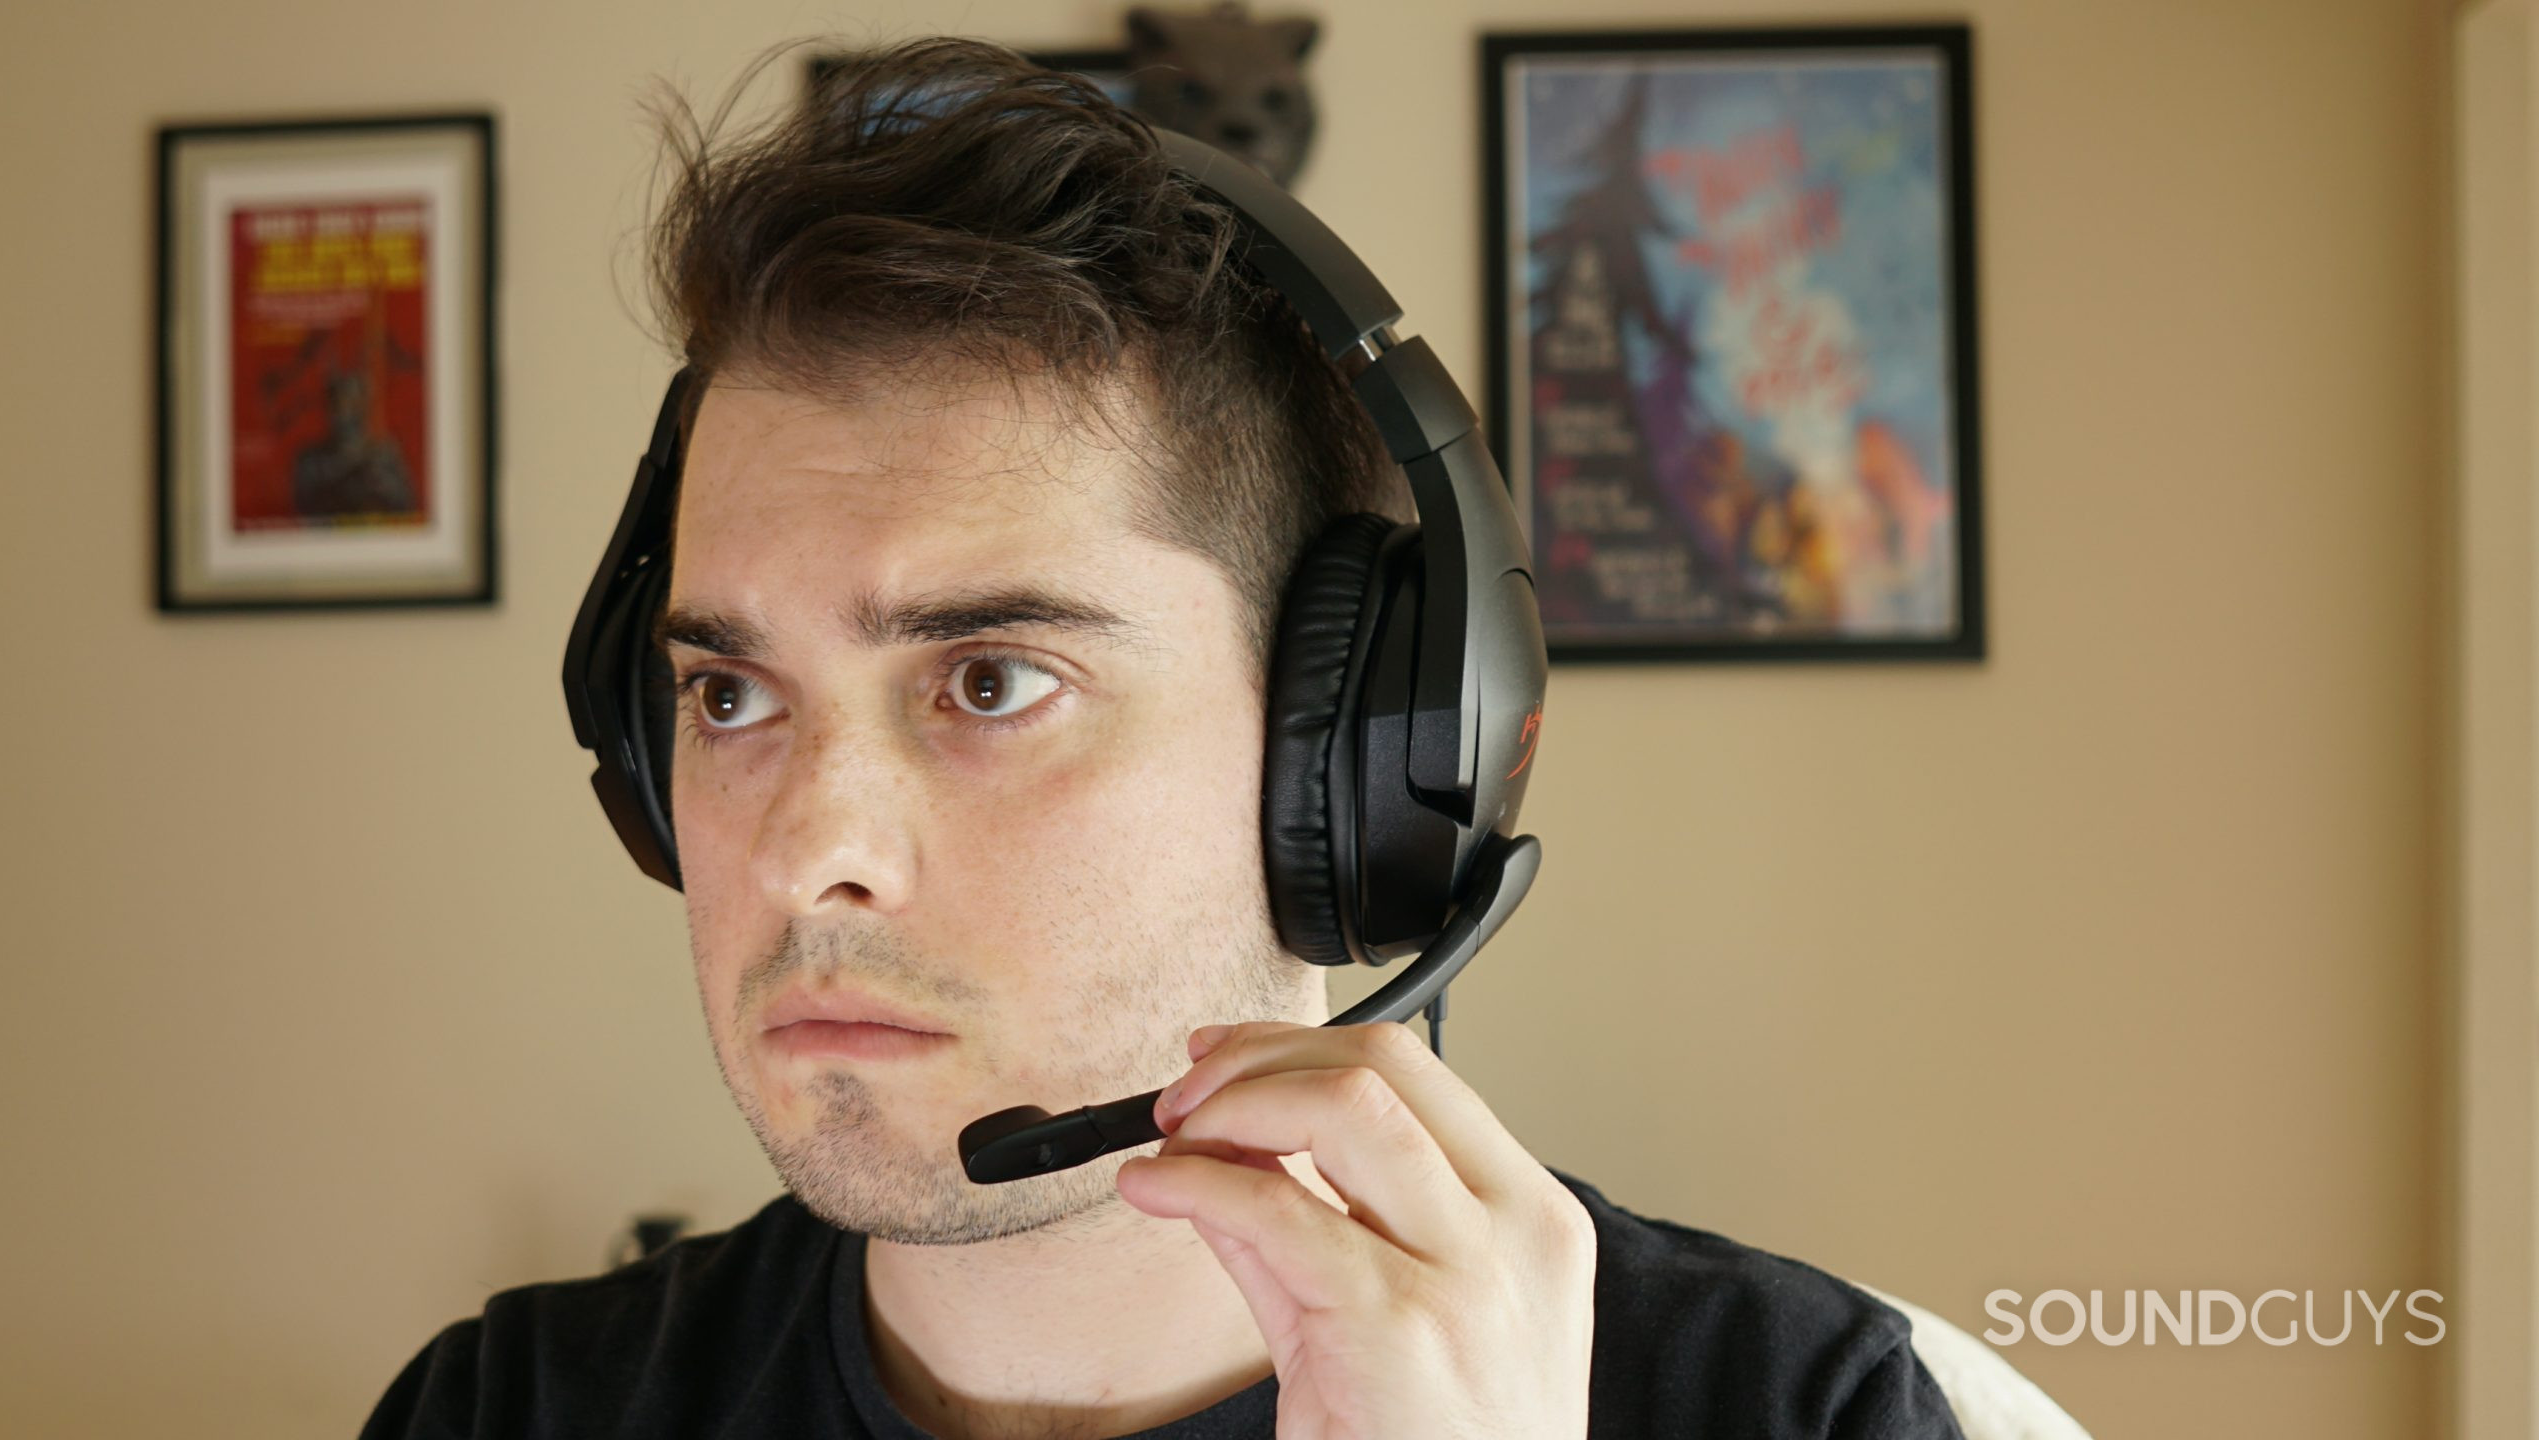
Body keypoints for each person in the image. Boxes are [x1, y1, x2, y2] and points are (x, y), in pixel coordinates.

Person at [362, 36, 1964, 1440]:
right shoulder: (503, 1405)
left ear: (1350, 761)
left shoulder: (1795, 1400)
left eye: (990, 681)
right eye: (730, 695)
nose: (806, 853)